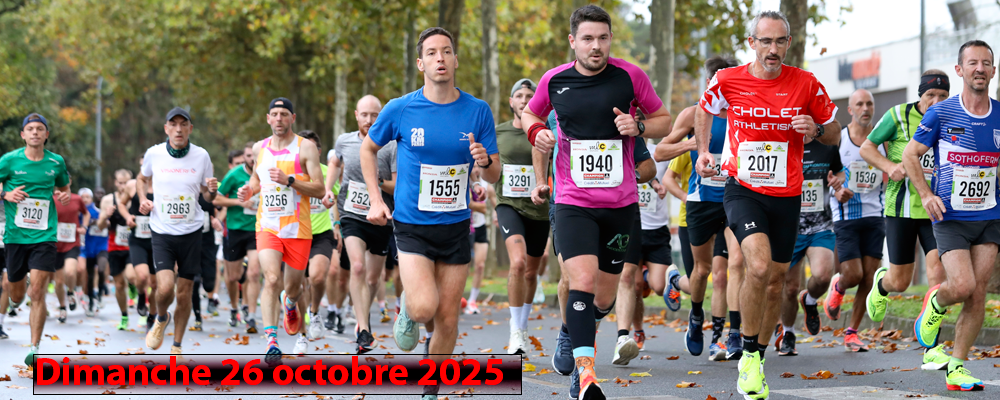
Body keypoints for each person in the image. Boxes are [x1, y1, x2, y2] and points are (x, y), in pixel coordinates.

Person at [522, 5, 673, 398]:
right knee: (582, 281)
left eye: (603, 38)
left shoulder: (630, 76)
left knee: (604, 298)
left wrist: (638, 125)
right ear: (573, 41)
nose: (596, 46)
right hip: (573, 201)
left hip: (619, 204)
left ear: (610, 39)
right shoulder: (555, 80)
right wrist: (537, 131)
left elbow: (665, 119)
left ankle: (570, 331)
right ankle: (585, 375)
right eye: (588, 38)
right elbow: (530, 115)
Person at [696, 11, 840, 400]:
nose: (772, 49)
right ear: (752, 43)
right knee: (757, 267)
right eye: (765, 41)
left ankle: (757, 357)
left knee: (776, 282)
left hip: (787, 196)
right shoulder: (728, 79)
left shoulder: (806, 82)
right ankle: (745, 349)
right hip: (743, 189)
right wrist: (703, 150)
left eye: (779, 41)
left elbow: (834, 132)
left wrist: (816, 129)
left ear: (788, 43)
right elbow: (703, 108)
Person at [361, 27, 499, 400]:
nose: (441, 58)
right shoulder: (401, 108)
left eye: (447, 51)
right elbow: (368, 149)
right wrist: (376, 200)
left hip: (456, 226)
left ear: (455, 60)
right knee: (425, 309)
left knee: (448, 319)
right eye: (433, 52)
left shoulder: (477, 110)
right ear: (421, 63)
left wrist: (485, 162)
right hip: (412, 227)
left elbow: (494, 173)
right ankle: (409, 308)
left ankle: (430, 388)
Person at [907, 40, 999, 392]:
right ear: (960, 70)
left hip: (990, 215)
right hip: (951, 216)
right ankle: (936, 302)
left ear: (993, 70)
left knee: (977, 294)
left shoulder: (999, 114)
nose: (980, 68)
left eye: (986, 63)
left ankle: (957, 366)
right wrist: (926, 194)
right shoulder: (942, 113)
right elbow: (911, 155)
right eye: (972, 62)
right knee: (961, 286)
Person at [861, 70, 951, 370]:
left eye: (942, 96)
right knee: (900, 281)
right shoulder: (898, 115)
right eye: (930, 95)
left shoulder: (952, 117)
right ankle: (882, 284)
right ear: (920, 94)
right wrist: (889, 166)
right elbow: (867, 147)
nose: (936, 101)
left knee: (938, 271)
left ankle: (932, 347)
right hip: (901, 208)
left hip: (935, 208)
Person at [236, 98, 326, 359]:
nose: (279, 118)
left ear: (292, 118)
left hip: (298, 229)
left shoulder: (305, 147)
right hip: (268, 227)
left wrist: (290, 181)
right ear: (268, 118)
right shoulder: (259, 148)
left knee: (294, 288)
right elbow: (256, 179)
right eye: (274, 114)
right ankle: (271, 342)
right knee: (272, 279)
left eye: (284, 114)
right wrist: (248, 190)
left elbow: (320, 189)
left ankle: (290, 303)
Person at [138, 107, 218, 354]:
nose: (179, 129)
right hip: (162, 231)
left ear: (190, 129)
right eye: (173, 124)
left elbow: (207, 195)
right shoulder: (154, 153)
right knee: (164, 288)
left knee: (184, 293)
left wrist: (212, 191)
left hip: (192, 231)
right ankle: (162, 317)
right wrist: (143, 199)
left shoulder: (201, 156)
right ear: (166, 129)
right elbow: (141, 178)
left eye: (184, 124)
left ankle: (177, 346)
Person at [326, 96, 396, 353]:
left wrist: (376, 182)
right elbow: (335, 163)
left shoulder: (391, 146)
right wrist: (328, 189)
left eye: (374, 115)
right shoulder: (344, 141)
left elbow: (397, 185)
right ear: (356, 115)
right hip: (351, 214)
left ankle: (361, 317)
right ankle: (364, 330)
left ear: (381, 116)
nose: (369, 120)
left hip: (381, 216)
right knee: (357, 267)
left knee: (373, 277)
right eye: (364, 114)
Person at [0, 112, 71, 364]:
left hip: (45, 235)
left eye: (40, 129)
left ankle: (35, 348)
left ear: (46, 134)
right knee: (17, 294)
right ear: (23, 134)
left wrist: (64, 195)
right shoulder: (9, 160)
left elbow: (64, 186)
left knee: (38, 291)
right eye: (30, 129)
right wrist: (6, 195)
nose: (35, 132)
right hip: (16, 237)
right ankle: (15, 296)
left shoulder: (56, 162)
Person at [824, 88, 885, 353]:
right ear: (850, 110)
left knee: (868, 277)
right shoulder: (839, 138)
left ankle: (852, 333)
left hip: (875, 213)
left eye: (869, 103)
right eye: (859, 104)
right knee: (853, 274)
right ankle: (838, 286)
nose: (865, 108)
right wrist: (837, 190)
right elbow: (825, 172)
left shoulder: (881, 139)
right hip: (846, 214)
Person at [493, 78, 550, 354]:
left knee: (530, 272)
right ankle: (515, 331)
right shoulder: (498, 132)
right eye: (519, 95)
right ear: (511, 101)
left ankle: (523, 326)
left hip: (540, 210)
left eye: (530, 95)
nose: (525, 100)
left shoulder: (546, 133)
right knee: (517, 263)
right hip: (509, 206)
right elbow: (488, 167)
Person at [774, 133, 843, 356]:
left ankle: (810, 299)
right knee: (790, 287)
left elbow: (839, 172)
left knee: (823, 276)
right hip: (788, 227)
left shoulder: (828, 146)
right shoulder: (780, 144)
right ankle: (788, 333)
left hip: (820, 225)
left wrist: (838, 182)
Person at [297, 130, 340, 341]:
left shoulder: (326, 173)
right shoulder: (292, 173)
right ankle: (302, 320)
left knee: (318, 276)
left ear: (319, 152)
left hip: (321, 233)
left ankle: (314, 312)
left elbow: (334, 199)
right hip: (296, 234)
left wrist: (337, 225)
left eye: (313, 147)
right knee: (299, 283)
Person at [215, 142, 263, 332]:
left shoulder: (265, 173)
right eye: (248, 156)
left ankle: (251, 316)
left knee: (254, 273)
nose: (252, 159)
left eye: (254, 155)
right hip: (235, 230)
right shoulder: (234, 175)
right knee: (233, 276)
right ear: (244, 157)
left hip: (257, 229)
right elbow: (217, 198)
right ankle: (234, 307)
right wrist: (239, 202)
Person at [120, 157, 158, 331]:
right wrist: (128, 217)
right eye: (143, 165)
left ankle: (152, 316)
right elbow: (122, 204)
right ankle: (141, 295)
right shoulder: (132, 185)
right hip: (138, 239)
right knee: (142, 277)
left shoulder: (163, 185)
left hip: (158, 240)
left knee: (156, 284)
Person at [53, 178, 88, 322]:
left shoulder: (76, 199)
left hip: (72, 242)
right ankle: (62, 308)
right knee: (59, 282)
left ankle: (71, 291)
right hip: (55, 245)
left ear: (70, 182)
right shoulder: (51, 199)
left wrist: (84, 227)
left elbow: (86, 213)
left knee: (70, 271)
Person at [81, 187, 109, 317]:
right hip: (89, 247)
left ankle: (101, 293)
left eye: (102, 193)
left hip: (102, 246)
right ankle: (91, 302)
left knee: (102, 269)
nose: (100, 195)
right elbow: (81, 223)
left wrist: (106, 222)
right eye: (98, 193)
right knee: (90, 276)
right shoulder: (84, 211)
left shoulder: (106, 210)